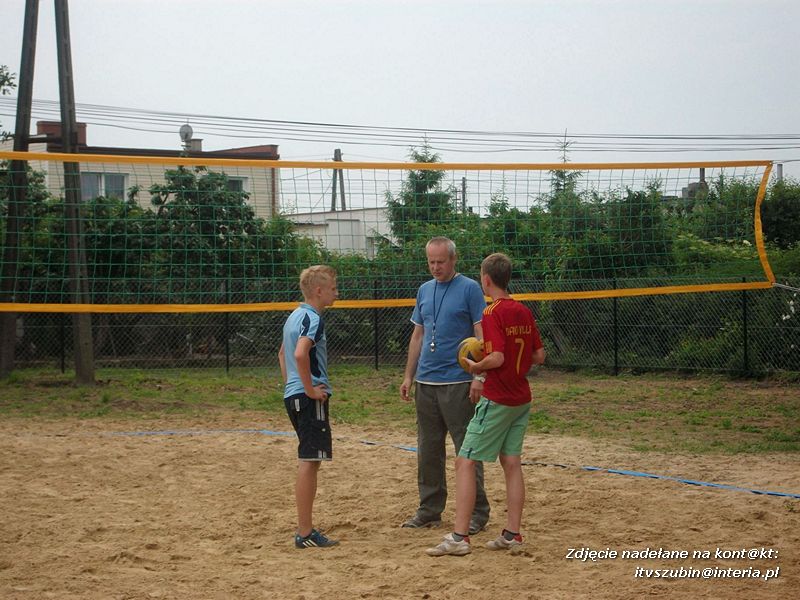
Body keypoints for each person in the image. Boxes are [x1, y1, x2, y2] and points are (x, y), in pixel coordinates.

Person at [426, 252, 545, 556]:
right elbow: (538, 356)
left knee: (465, 461)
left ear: (486, 280)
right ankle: (512, 534)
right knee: (511, 463)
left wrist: (473, 365)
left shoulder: (493, 312)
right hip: (521, 398)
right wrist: (511, 366)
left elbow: (498, 357)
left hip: (499, 398)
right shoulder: (523, 311)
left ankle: (459, 538)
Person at [400, 236, 491, 534]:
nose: (435, 267)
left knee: (467, 449)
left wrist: (479, 377)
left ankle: (477, 513)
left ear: (453, 260)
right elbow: (418, 336)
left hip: (458, 383)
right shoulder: (424, 290)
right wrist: (408, 376)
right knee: (428, 449)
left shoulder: (469, 288)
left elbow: (482, 335)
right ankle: (429, 509)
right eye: (431, 262)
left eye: (441, 262)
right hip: (426, 383)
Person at [278, 265, 340, 549]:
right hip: (306, 395)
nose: (336, 293)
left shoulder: (293, 316)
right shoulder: (312, 318)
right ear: (318, 290)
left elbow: (282, 354)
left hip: (295, 395)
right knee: (309, 461)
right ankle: (305, 533)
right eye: (333, 288)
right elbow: (300, 353)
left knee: (309, 459)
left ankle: (305, 530)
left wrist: (292, 387)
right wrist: (308, 389)